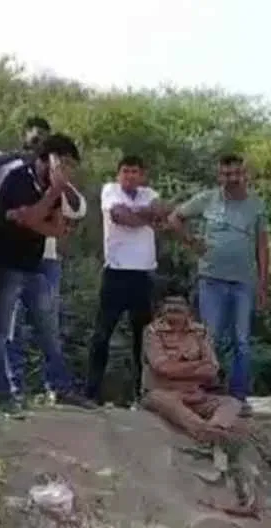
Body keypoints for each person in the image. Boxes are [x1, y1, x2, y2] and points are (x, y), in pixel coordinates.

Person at [0, 116, 86, 398]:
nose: (68, 171)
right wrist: (43, 205)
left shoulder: (50, 184)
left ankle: (59, 387)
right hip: (8, 263)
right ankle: (4, 391)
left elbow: (59, 226)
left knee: (48, 327)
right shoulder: (16, 176)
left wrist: (37, 213)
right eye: (65, 164)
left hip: (36, 263)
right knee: (5, 329)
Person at [167, 153, 269, 415]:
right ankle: (206, 394)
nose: (231, 179)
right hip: (211, 279)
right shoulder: (207, 199)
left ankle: (238, 397)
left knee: (242, 341)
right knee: (209, 338)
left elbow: (262, 245)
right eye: (226, 174)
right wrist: (191, 242)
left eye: (236, 173)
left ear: (244, 174)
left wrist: (262, 283)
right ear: (219, 175)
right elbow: (174, 218)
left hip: (243, 281)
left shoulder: (256, 204)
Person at [85, 155, 170, 403]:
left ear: (142, 175)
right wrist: (147, 217)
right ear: (118, 174)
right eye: (125, 171)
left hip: (143, 274)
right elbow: (120, 216)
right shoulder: (110, 190)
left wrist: (141, 214)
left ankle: (142, 395)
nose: (130, 176)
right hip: (117, 272)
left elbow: (163, 209)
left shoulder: (149, 193)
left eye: (135, 171)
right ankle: (91, 393)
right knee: (102, 334)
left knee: (143, 339)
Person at [141, 293, 244, 445]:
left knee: (232, 403)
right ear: (162, 310)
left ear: (188, 311)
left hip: (196, 394)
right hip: (164, 392)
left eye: (178, 306)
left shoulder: (199, 331)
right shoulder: (153, 331)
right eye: (170, 306)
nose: (174, 309)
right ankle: (201, 430)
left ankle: (216, 427)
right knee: (162, 400)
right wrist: (197, 364)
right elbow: (162, 368)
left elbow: (212, 369)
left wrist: (176, 369)